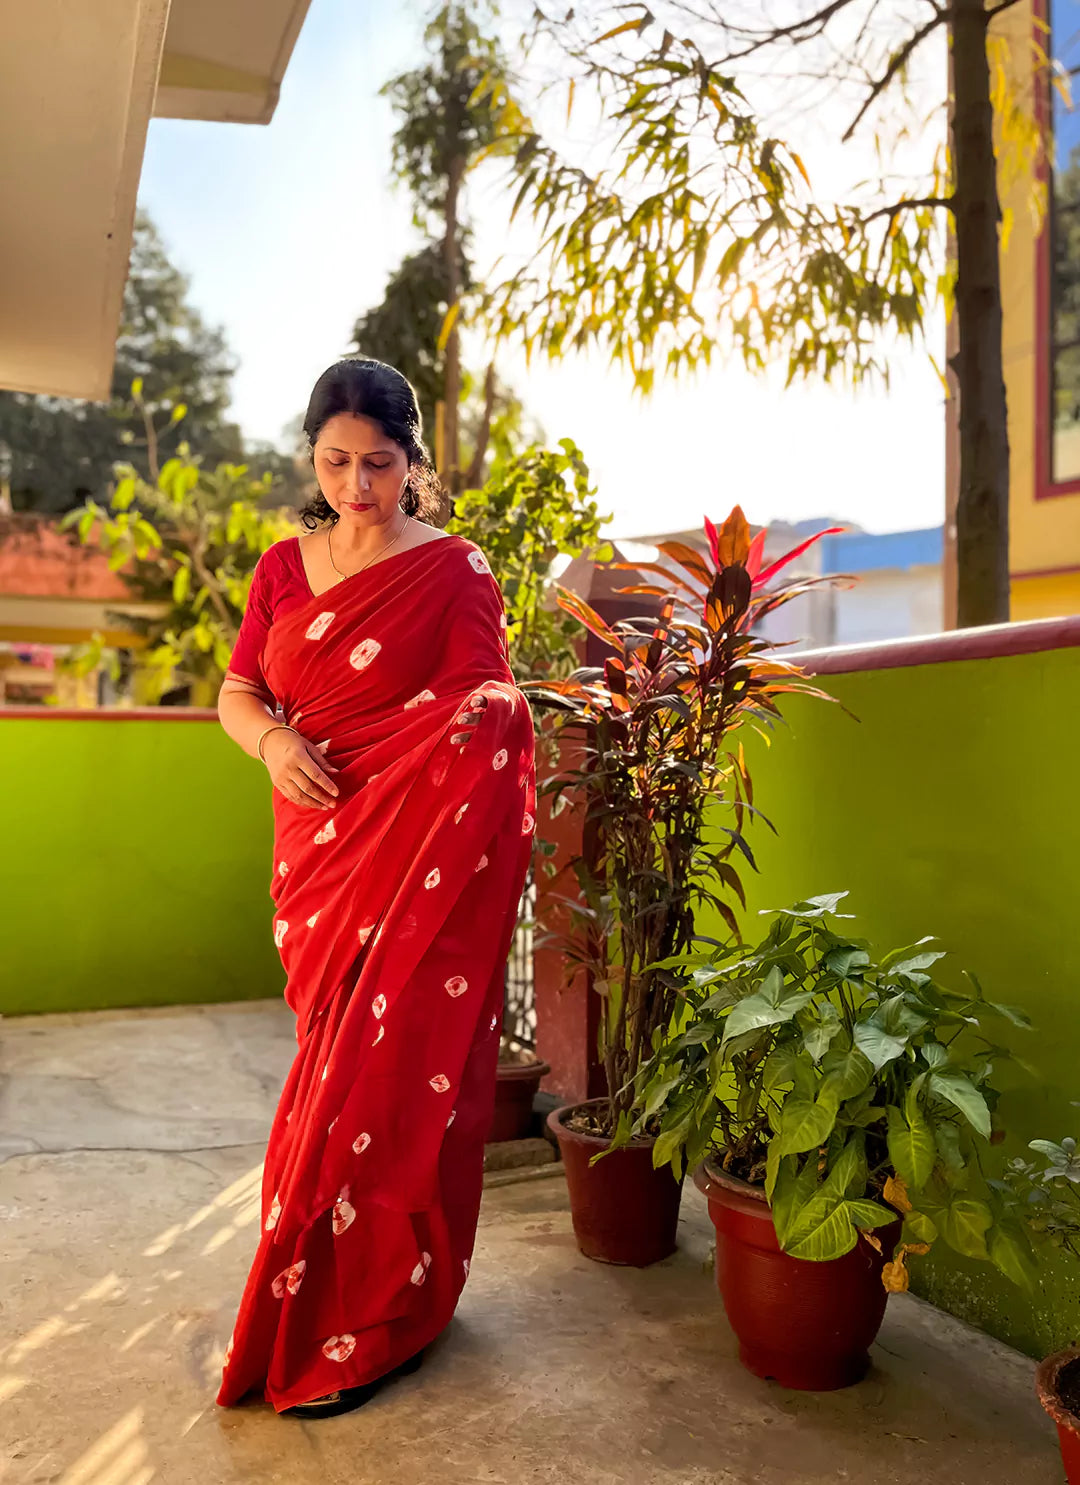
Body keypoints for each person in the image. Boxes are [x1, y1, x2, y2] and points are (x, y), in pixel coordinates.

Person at [214, 358, 536, 1418]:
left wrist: (474, 726)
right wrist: (267, 742)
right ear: (313, 456)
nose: (358, 485)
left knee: (383, 1083)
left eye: (381, 464)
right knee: (326, 1066)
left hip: (415, 866)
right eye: (337, 462)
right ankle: (322, 1297)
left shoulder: (452, 572)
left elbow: (488, 701)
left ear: (413, 462)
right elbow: (240, 688)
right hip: (316, 858)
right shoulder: (280, 568)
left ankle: (372, 1318)